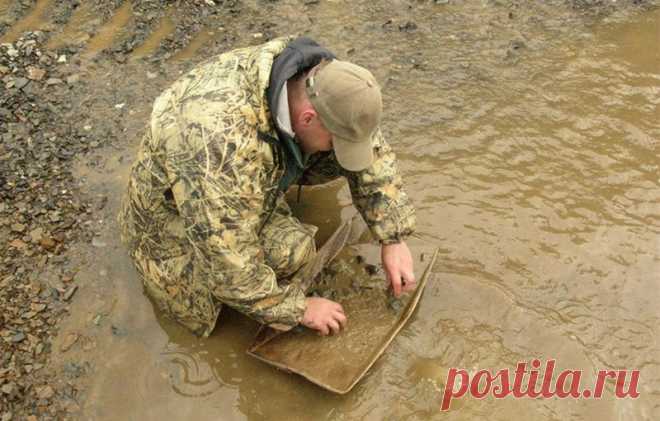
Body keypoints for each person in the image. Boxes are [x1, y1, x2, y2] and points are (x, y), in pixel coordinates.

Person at [118, 36, 416, 337]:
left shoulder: (324, 80)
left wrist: (392, 237)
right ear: (307, 118)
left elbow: (367, 142)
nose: (337, 148)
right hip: (173, 219)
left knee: (342, 157)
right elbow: (229, 267)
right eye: (333, 139)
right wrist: (298, 309)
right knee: (292, 251)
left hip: (226, 177)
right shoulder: (221, 144)